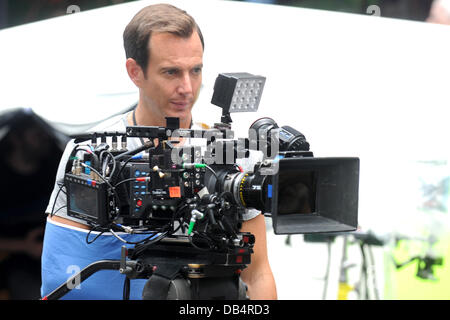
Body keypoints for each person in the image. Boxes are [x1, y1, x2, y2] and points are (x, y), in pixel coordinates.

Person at [41, 3, 277, 300]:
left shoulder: (232, 156)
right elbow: (62, 275)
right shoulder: (91, 153)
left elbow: (257, 275)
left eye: (196, 70)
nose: (187, 88)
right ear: (135, 71)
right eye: (171, 72)